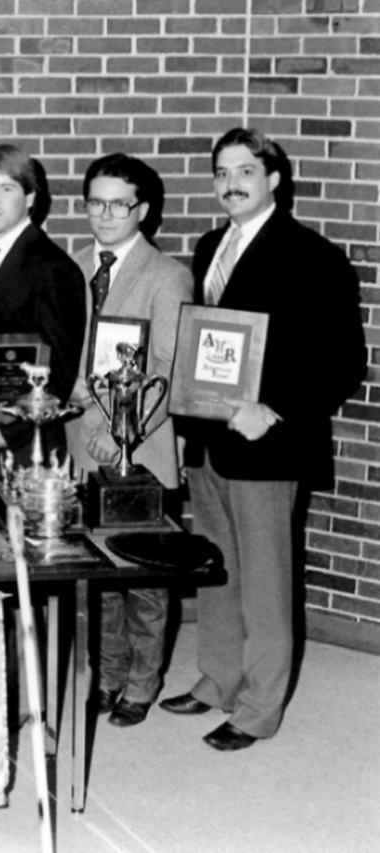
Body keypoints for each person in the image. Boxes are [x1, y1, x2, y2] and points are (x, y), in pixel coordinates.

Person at [160, 128, 364, 751]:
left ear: (274, 178)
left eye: (245, 171)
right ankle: (218, 677)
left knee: (267, 581)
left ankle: (258, 708)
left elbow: (343, 362)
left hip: (268, 445)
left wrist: (273, 409)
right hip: (210, 443)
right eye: (221, 172)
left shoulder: (313, 256)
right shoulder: (210, 245)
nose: (231, 184)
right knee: (218, 569)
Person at [63, 154, 192, 727]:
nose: (106, 214)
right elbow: (71, 357)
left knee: (140, 573)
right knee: (98, 569)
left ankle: (142, 683)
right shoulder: (75, 267)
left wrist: (121, 435)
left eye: (119, 203)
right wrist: (86, 424)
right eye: (96, 202)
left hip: (138, 446)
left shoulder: (167, 276)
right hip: (82, 440)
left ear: (142, 210)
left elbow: (166, 366)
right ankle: (108, 675)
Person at [0, 144, 86, 461]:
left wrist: (9, 431)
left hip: (25, 446)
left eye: (6, 189)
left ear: (30, 197)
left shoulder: (53, 268)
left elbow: (59, 372)